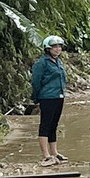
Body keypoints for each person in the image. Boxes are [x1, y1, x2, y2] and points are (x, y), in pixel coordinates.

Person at [31, 35, 68, 167]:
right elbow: (36, 81)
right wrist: (36, 96)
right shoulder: (42, 63)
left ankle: (55, 152)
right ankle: (46, 155)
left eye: (59, 46)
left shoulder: (58, 62)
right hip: (47, 97)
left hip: (59, 96)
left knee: (54, 125)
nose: (58, 49)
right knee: (45, 125)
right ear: (48, 48)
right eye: (54, 47)